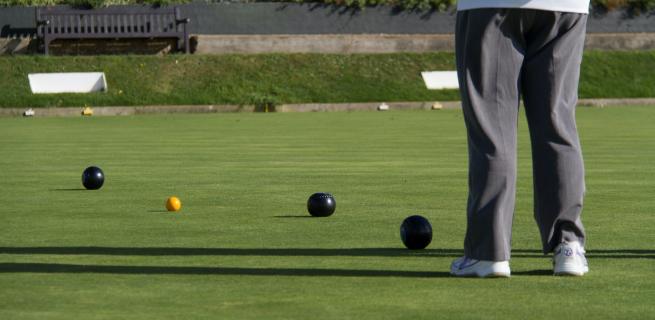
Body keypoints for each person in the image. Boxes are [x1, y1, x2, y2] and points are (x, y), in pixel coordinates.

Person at [450, 0, 590, 277]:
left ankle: (488, 253)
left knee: (493, 127)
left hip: (490, 6)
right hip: (567, 6)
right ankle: (569, 246)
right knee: (558, 122)